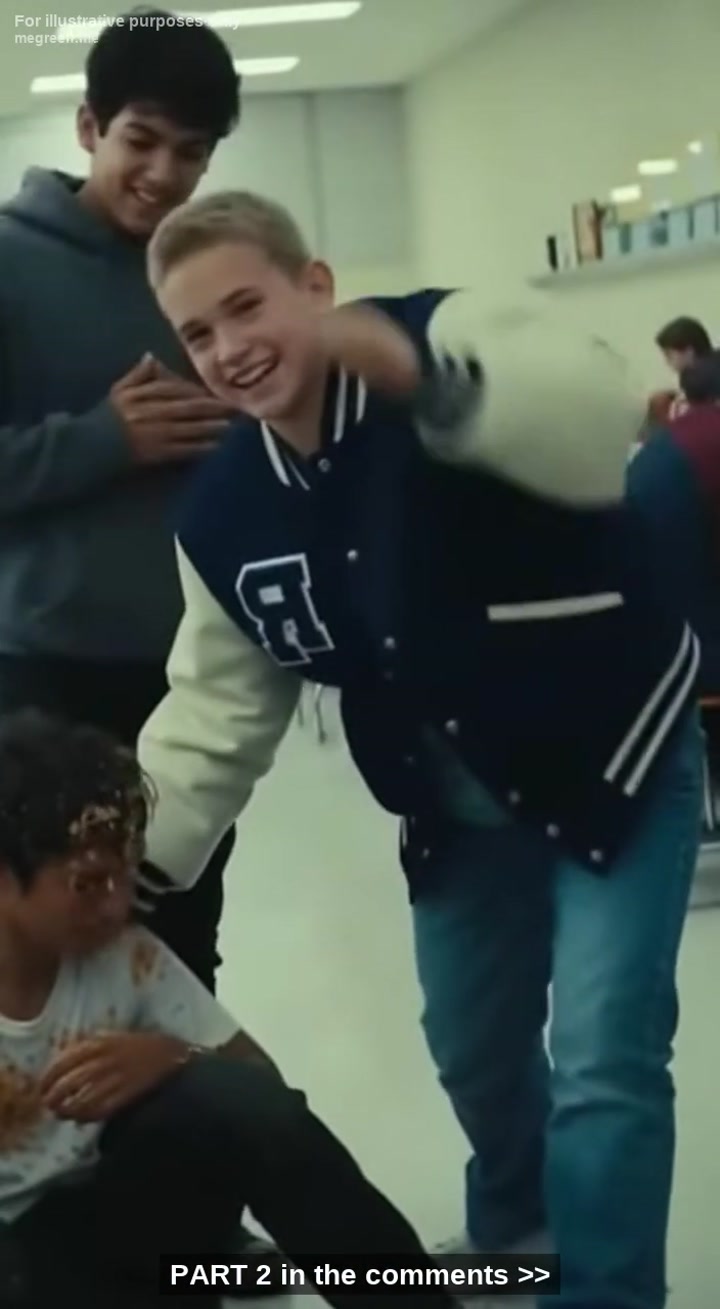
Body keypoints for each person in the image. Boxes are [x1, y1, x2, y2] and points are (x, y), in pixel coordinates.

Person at [135, 190, 702, 1309]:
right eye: (198, 332)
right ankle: (520, 1228)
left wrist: (431, 384)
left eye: (247, 306)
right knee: (474, 1049)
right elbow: (217, 705)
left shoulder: (450, 334)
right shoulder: (224, 511)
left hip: (615, 755)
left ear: (315, 285)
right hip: (452, 801)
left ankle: (606, 1289)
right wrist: (126, 866)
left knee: (604, 1053)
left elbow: (595, 422)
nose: (230, 348)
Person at [0, 711, 460, 1309]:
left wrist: (176, 1058)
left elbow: (263, 1103)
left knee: (225, 1096)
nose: (117, 906)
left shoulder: (126, 958)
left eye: (127, 876)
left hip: (110, 1240)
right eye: (88, 884)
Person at [0, 7, 238, 994]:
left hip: (199, 678)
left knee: (181, 949)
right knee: (50, 958)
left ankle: (184, 1106)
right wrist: (105, 439)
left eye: (192, 152)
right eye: (142, 140)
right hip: (47, 678)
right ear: (89, 126)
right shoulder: (10, 262)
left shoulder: (203, 272)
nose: (163, 174)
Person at [645, 315, 714, 427]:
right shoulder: (698, 371)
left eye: (669, 355)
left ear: (689, 351)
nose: (667, 361)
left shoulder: (696, 378)